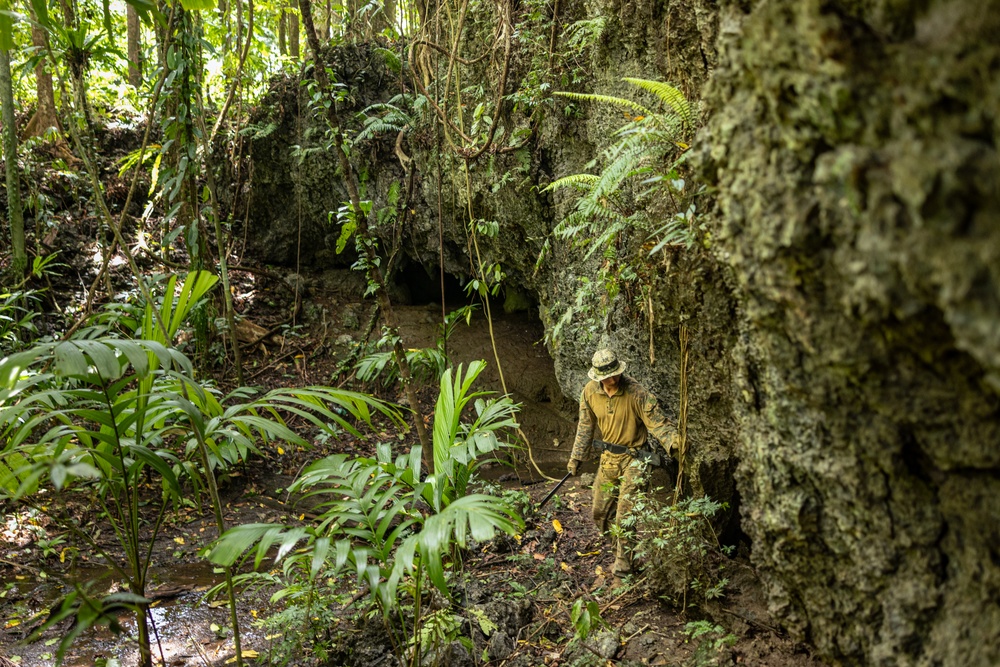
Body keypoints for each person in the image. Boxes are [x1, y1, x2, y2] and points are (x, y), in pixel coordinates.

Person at [566, 348, 678, 577]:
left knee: (625, 517)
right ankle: (625, 552)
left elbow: (659, 423)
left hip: (636, 459)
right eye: (606, 377)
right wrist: (577, 457)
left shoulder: (636, 392)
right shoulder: (589, 392)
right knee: (600, 513)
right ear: (597, 376)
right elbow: (585, 427)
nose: (612, 379)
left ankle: (623, 570)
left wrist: (675, 443)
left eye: (615, 374)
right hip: (608, 459)